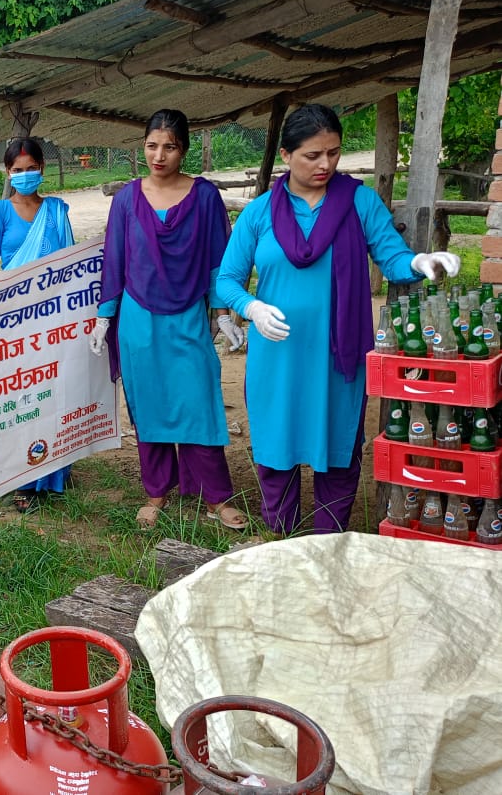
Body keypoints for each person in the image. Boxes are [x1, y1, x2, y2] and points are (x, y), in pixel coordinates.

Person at [217, 104, 460, 534]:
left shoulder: (358, 202)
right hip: (278, 355)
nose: (326, 164)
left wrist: (421, 261)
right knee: (276, 447)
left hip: (339, 355)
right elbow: (227, 279)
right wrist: (251, 307)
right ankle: (283, 539)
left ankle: (330, 543)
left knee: (340, 448)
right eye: (313, 155)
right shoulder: (259, 213)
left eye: (334, 152)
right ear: (288, 155)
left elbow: (392, 257)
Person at [91, 110, 245, 530]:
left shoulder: (205, 197)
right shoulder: (126, 199)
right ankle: (156, 491)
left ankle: (216, 497)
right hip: (138, 318)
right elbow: (115, 261)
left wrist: (222, 312)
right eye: (152, 145)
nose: (159, 155)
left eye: (170, 146)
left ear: (185, 149)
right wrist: (106, 317)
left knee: (199, 402)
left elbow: (219, 259)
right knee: (150, 404)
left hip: (189, 316)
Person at [0, 137, 75, 512]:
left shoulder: (56, 211)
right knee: (20, 398)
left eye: (30, 168)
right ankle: (21, 476)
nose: (24, 175)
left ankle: (54, 471)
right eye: (16, 170)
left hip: (53, 318)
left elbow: (71, 265)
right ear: (8, 173)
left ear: (43, 168)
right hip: (14, 320)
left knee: (55, 391)